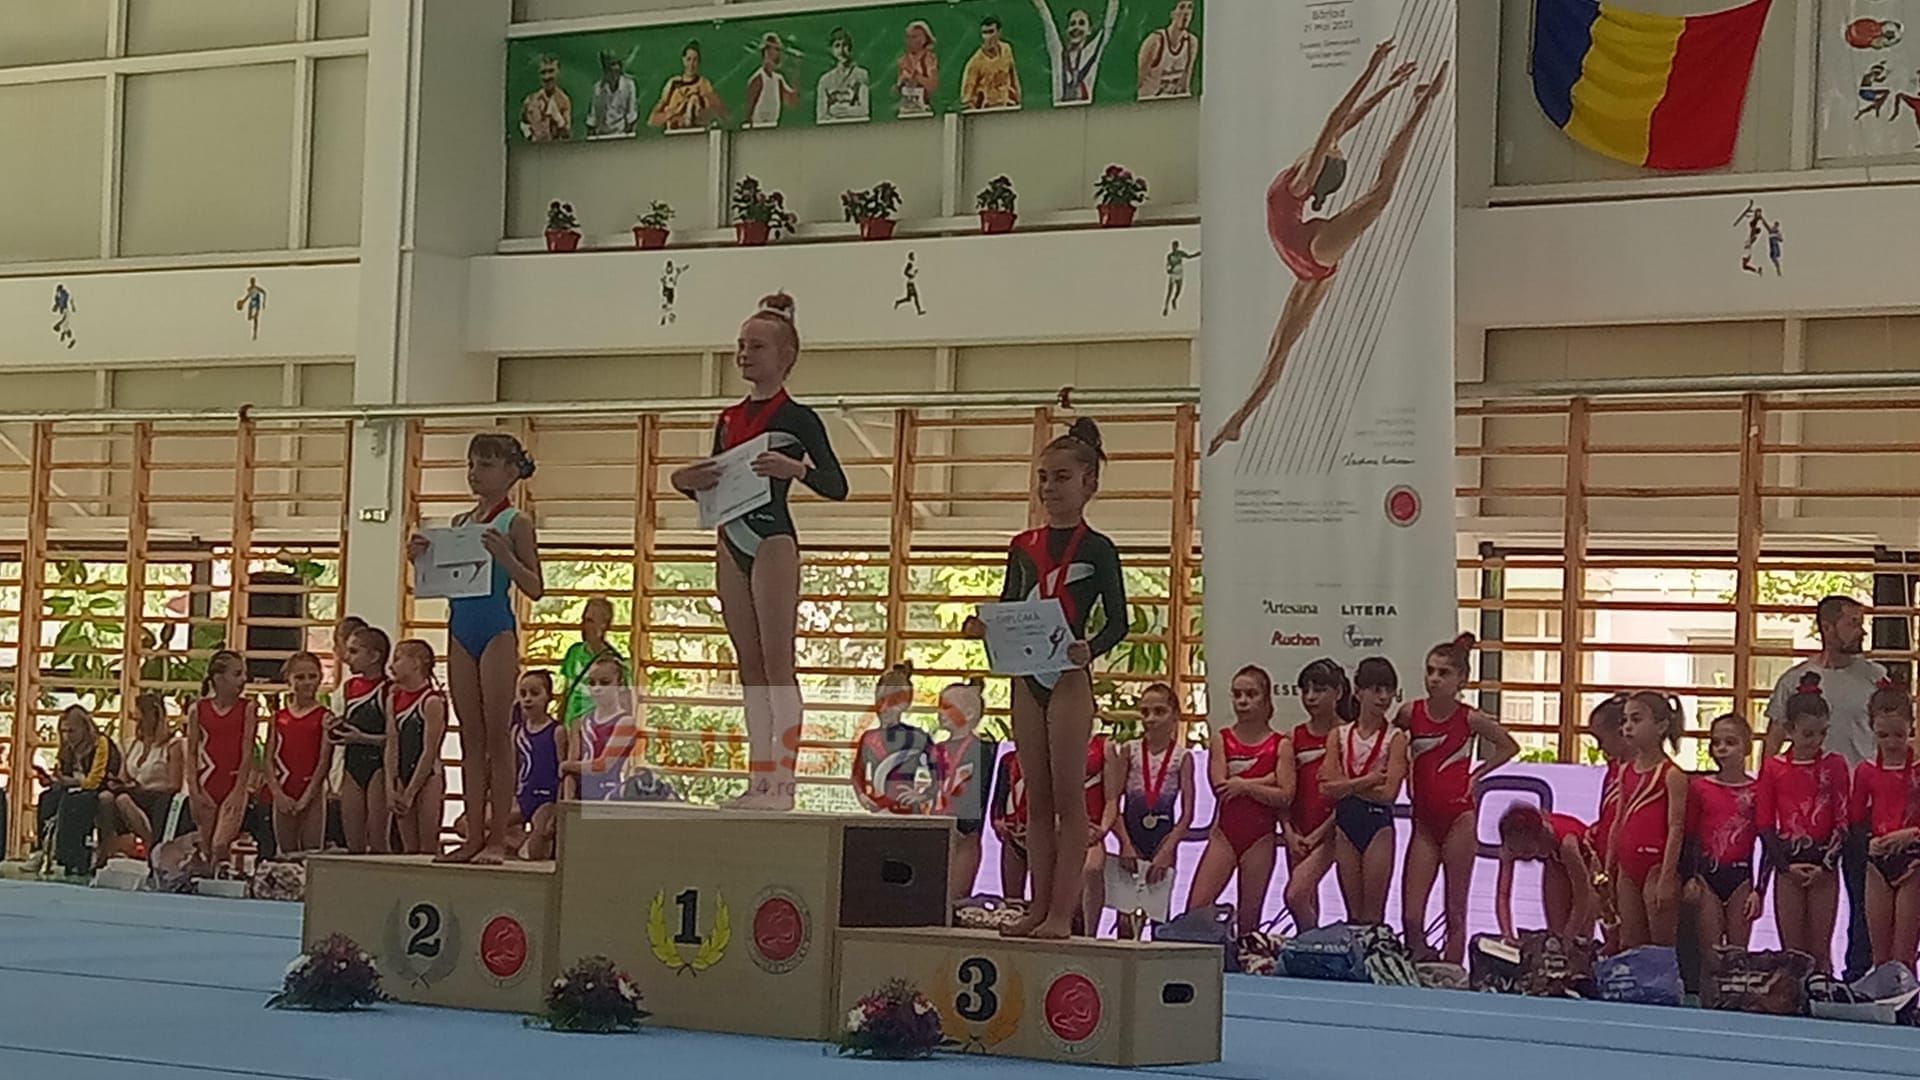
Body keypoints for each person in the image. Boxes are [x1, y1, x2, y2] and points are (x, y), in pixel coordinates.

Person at [1207, 43, 1447, 456]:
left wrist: (1373, 67)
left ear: (1319, 168)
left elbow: (1336, 117)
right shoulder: (1304, 171)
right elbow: (1348, 121)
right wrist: (1388, 86)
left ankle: (1422, 107)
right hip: (1305, 263)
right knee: (1278, 349)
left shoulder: (1299, 182)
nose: (1334, 143)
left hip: (1310, 251)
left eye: (1331, 149)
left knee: (1381, 195)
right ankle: (1236, 422)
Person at [671, 293, 848, 811]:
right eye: (740, 346)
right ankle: (758, 780)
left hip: (772, 541)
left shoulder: (798, 418)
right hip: (732, 539)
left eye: (756, 346)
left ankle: (783, 785)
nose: (745, 354)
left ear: (785, 356)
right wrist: (684, 480)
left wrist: (797, 470)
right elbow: (715, 484)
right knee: (748, 668)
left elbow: (837, 485)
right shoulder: (728, 419)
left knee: (776, 665)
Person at [963, 417, 1128, 939]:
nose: (1049, 487)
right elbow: (1010, 606)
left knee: (1068, 801)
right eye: (1042, 477)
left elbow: (1118, 622)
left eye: (1061, 477)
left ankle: (1061, 913)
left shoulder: (1098, 548)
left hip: (1069, 679)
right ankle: (1036, 908)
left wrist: (1089, 649)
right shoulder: (1022, 545)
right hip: (1026, 678)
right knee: (1035, 799)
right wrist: (982, 626)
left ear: (1089, 484)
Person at [410, 434, 544, 864]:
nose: (474, 473)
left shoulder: (515, 522)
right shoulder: (460, 521)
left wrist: (506, 557)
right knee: (470, 736)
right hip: (460, 629)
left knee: (497, 735)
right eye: (471, 465)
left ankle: (497, 838)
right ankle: (470, 836)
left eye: (485, 465)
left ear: (510, 472)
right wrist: (420, 559)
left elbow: (535, 587)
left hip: (496, 631)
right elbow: (445, 579)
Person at [1764, 595, 1881, 979]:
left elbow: (1895, 736)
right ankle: (1804, 977)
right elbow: (1773, 741)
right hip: (1809, 815)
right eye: (1852, 623)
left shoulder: (1875, 678)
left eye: (1861, 622)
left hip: (1863, 805)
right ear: (1827, 628)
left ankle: (1859, 975)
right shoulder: (1794, 680)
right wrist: (1764, 795)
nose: (1861, 630)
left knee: (1864, 897)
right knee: (1806, 899)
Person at [1397, 633, 1519, 963]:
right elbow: (1392, 743)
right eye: (1430, 671)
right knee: (1411, 915)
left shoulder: (1470, 718)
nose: (1434, 679)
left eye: (1443, 673)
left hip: (1458, 820)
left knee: (1456, 910)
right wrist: (1404, 771)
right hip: (1424, 823)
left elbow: (1509, 746)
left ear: (1461, 680)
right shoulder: (1410, 713)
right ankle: (1419, 962)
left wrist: (1477, 775)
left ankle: (1451, 972)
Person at [1756, 674, 1852, 974]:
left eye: (1822, 733)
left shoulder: (1834, 765)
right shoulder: (1773, 767)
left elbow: (1843, 821)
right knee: (1793, 955)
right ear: (1789, 730)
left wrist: (1826, 865)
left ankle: (1822, 995)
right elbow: (1764, 823)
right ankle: (1794, 998)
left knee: (1821, 953)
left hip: (1824, 865)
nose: (1816, 741)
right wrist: (1784, 867)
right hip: (1788, 865)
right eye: (1808, 734)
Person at [1185, 665, 1290, 937]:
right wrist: (1267, 780)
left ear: (1266, 699)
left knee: (1249, 922)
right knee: (1195, 910)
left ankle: (1242, 958)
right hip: (1225, 836)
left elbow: (1285, 795)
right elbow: (1221, 787)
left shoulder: (1281, 744)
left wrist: (1244, 784)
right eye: (1237, 694)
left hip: (1260, 839)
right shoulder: (1221, 739)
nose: (1243, 701)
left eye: (1251, 695)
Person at [1322, 656, 1408, 925]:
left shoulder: (1396, 738)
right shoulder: (1339, 735)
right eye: (1376, 689)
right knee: (1353, 916)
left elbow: (1389, 794)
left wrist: (1346, 786)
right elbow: (1327, 788)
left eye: (1389, 690)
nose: (1383, 697)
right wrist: (1368, 780)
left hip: (1377, 824)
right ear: (1359, 692)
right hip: (1346, 823)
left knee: (1372, 917)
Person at [1604, 691, 1689, 949]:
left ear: (1661, 727)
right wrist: (1609, 868)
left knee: (1661, 943)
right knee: (1629, 942)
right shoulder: (1624, 771)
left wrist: (1667, 877)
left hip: (1655, 867)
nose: (1628, 727)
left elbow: (1676, 829)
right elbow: (1618, 822)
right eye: (1625, 720)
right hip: (1627, 867)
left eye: (1637, 719)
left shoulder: (1672, 775)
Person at [1112, 682, 1194, 939]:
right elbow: (1112, 803)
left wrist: (1167, 851)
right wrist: (1124, 844)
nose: (1150, 719)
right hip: (1132, 840)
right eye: (1145, 712)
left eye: (1159, 711)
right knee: (1125, 923)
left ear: (1175, 715)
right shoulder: (1130, 751)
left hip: (1162, 843)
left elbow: (1187, 814)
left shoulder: (1182, 757)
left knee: (1159, 920)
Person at [1849, 677, 1920, 969]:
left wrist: (1911, 834)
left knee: (1903, 956)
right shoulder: (1865, 771)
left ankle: (1907, 998)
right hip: (1878, 863)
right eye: (1883, 735)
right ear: (1872, 729)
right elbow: (1855, 820)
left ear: (1911, 727)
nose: (1891, 743)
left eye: (1899, 735)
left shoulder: (1917, 770)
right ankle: (1882, 998)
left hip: (1913, 862)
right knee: (1880, 957)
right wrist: (1869, 842)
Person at [1685, 714, 1761, 974]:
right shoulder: (1700, 788)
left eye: (1730, 742)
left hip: (1742, 880)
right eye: (1716, 742)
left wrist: (1759, 889)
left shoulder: (1757, 791)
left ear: (1747, 747)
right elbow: (1690, 836)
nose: (1722, 749)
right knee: (1711, 956)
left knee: (1738, 956)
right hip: (1707, 879)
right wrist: (1690, 877)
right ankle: (1709, 997)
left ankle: (1736, 996)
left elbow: (1766, 841)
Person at [1280, 661, 1341, 930]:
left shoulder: (1347, 736)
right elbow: (1285, 792)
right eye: (1306, 690)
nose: (1311, 697)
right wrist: (1288, 831)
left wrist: (1320, 833)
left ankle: (1315, 942)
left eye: (1319, 690)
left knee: (1296, 894)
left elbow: (1348, 796)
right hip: (1298, 830)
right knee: (1305, 900)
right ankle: (1310, 944)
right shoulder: (1293, 737)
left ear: (1338, 692)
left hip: (1333, 830)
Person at [188, 650, 260, 866]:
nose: (243, 679)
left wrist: (239, 791)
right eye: (237, 674)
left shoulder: (248, 708)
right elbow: (191, 752)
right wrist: (194, 790)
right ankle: (210, 882)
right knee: (206, 849)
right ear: (218, 679)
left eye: (244, 673)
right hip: (207, 784)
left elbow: (247, 752)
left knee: (220, 845)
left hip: (233, 783)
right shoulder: (198, 709)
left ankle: (223, 875)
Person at [35, 707, 121, 876]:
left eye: (71, 731)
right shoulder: (67, 747)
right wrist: (53, 781)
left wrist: (70, 782)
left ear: (85, 728)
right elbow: (63, 774)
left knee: (82, 800)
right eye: (64, 731)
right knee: (47, 797)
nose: (67, 736)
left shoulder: (101, 743)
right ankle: (44, 849)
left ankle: (75, 854)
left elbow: (96, 780)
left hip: (98, 789)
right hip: (74, 788)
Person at [1494, 804, 1597, 944]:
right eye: (1516, 852)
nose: (1524, 857)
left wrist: (1569, 936)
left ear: (1540, 836)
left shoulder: (1568, 846)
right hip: (1554, 860)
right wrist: (1507, 935)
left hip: (1587, 862)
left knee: (1580, 934)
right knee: (1556, 931)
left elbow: (1583, 896)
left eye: (1527, 852)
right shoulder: (1512, 845)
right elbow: (1503, 893)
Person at [103, 693, 187, 857]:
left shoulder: (172, 746)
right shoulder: (132, 744)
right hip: (134, 793)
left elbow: (174, 785)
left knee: (123, 800)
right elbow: (124, 777)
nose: (138, 724)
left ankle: (151, 846)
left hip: (159, 797)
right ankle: (107, 848)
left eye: (141, 719)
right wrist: (118, 783)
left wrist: (140, 789)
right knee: (107, 799)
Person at [933, 678, 995, 899]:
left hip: (964, 836)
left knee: (953, 899)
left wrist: (965, 824)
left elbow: (980, 793)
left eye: (947, 707)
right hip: (935, 829)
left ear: (969, 714)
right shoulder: (935, 750)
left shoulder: (983, 751)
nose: (940, 712)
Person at [386, 640, 449, 856]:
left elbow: (429, 751)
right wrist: (391, 784)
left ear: (415, 663)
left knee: (427, 847)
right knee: (409, 850)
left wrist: (411, 792)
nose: (391, 665)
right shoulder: (393, 699)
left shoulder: (432, 702)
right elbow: (392, 743)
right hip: (402, 776)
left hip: (428, 776)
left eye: (397, 659)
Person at [266, 653, 332, 857]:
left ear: (320, 678)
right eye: (300, 677)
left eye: (312, 676)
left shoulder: (324, 716)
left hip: (311, 792)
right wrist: (277, 794)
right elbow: (268, 759)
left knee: (311, 854)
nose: (307, 682)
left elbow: (324, 761)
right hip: (284, 790)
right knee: (286, 854)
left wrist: (307, 797)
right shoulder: (278, 717)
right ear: (289, 681)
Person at [331, 625, 390, 854]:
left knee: (378, 842)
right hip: (352, 765)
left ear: (374, 656)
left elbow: (395, 740)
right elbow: (349, 723)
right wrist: (334, 727)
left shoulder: (388, 690)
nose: (347, 658)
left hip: (378, 767)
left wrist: (362, 738)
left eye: (354, 652)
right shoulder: (349, 688)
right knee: (353, 843)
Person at [852, 663, 936, 813]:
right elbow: (857, 774)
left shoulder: (917, 737)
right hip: (879, 809)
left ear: (904, 706)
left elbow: (941, 772)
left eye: (892, 704)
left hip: (907, 810)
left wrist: (923, 795)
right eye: (880, 702)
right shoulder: (869, 738)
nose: (884, 709)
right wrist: (862, 795)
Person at [562, 654, 639, 801]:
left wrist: (566, 766)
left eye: (604, 683)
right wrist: (568, 801)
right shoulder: (579, 722)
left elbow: (603, 765)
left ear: (619, 685)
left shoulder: (625, 722)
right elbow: (570, 772)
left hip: (607, 795)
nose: (597, 688)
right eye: (592, 683)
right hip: (580, 796)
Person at [511, 670, 569, 859]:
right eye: (523, 694)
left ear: (548, 697)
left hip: (545, 799)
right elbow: (512, 770)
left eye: (535, 693)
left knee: (535, 850)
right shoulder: (517, 732)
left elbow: (562, 774)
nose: (528, 699)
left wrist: (558, 809)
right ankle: (518, 840)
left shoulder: (557, 731)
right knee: (465, 824)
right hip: (522, 797)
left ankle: (531, 840)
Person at [1033, 0, 1120, 106]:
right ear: (1067, 30)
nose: (1076, 27)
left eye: (1081, 23)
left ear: (1089, 31)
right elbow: (1046, 18)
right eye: (1072, 23)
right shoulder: (1058, 54)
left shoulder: (1092, 52)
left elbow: (1109, 24)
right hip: (1059, 112)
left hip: (1086, 111)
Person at [558, 596, 624, 728]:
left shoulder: (613, 661)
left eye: (590, 621)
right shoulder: (574, 652)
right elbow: (567, 690)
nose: (584, 626)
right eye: (584, 620)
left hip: (596, 727)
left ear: (604, 624)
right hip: (570, 724)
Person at [1080, 729, 1117, 934]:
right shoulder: (1055, 744)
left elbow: (1112, 799)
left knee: (1092, 869)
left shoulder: (1104, 747)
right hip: (1063, 826)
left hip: (1093, 829)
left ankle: (1090, 933)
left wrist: (1102, 829)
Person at [649, 40, 724, 131]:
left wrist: (699, 104)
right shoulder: (673, 84)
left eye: (695, 60)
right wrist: (677, 110)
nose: (691, 64)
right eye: (688, 59)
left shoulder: (704, 84)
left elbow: (720, 112)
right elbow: (652, 120)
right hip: (674, 133)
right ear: (683, 60)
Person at [1136, 0, 1198, 101]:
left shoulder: (1191, 42)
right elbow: (1139, 81)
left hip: (1170, 104)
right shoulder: (1155, 41)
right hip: (1149, 102)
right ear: (1172, 13)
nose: (1186, 12)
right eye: (1182, 7)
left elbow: (1185, 83)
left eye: (1190, 7)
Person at [991, 748, 1030, 899]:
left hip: (1041, 834)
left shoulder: (1052, 761)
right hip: (1012, 830)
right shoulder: (1009, 760)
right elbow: (1000, 792)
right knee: (1012, 897)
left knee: (1042, 895)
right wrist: (997, 819)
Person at [960, 15, 1021, 111]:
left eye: (991, 32)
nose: (988, 37)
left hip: (1007, 107)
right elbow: (967, 97)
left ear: (999, 32)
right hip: (987, 111)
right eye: (985, 33)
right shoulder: (975, 63)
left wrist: (1017, 100)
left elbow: (1013, 76)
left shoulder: (1006, 50)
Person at [817, 27, 871, 123]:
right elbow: (822, 116)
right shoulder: (825, 80)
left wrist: (837, 110)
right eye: (837, 46)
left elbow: (864, 111)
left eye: (845, 45)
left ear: (850, 47)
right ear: (832, 50)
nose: (841, 50)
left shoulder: (861, 75)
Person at [745, 33, 799, 129]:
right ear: (766, 52)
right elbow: (749, 111)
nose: (778, 55)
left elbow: (792, 101)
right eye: (775, 49)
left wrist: (795, 71)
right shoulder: (758, 78)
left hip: (772, 129)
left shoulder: (779, 80)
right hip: (757, 130)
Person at [586, 50, 638, 138]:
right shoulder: (597, 88)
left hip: (621, 135)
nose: (615, 68)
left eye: (616, 64)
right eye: (611, 65)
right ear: (604, 68)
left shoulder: (629, 85)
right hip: (601, 136)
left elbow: (631, 117)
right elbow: (592, 119)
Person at [519, 55, 572, 141]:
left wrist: (558, 118)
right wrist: (530, 137)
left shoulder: (564, 100)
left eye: (551, 71)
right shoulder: (530, 100)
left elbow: (567, 136)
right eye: (543, 72)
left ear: (558, 72)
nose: (547, 77)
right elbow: (523, 123)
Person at [894, 20, 939, 118]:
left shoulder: (929, 59)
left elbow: (933, 86)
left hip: (924, 110)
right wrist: (900, 83)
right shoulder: (902, 60)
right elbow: (895, 91)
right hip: (906, 110)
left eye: (914, 37)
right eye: (908, 37)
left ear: (924, 39)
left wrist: (916, 78)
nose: (909, 41)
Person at [1163, 241, 1200, 316]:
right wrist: (1169, 269)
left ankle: (1174, 299)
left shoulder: (1180, 253)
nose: (1174, 248)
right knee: (1170, 291)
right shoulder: (1170, 255)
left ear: (1177, 246)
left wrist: (1196, 254)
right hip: (1173, 274)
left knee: (1178, 290)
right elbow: (1168, 265)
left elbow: (1188, 256)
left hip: (1179, 273)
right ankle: (1166, 307)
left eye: (1175, 246)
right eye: (1173, 246)